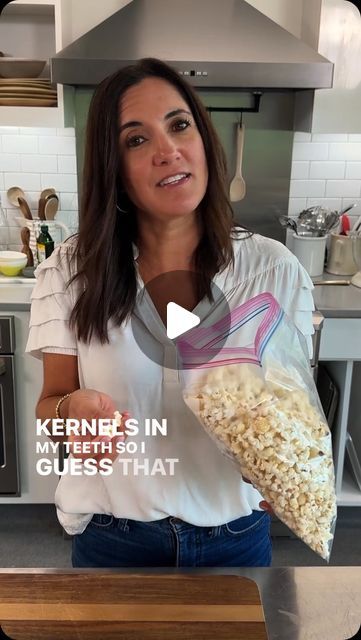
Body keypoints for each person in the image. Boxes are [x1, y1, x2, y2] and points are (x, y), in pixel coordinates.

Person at [26, 57, 315, 568]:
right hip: (114, 539)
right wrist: (69, 414)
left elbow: (294, 413)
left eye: (179, 125)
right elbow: (50, 406)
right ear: (113, 167)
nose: (168, 150)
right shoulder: (70, 270)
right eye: (136, 140)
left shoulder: (273, 271)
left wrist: (279, 460)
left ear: (204, 138)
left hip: (236, 539)